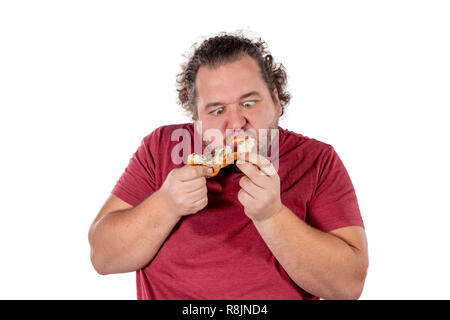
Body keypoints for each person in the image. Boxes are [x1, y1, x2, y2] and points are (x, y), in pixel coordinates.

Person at [88, 32, 368, 300]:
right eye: (217, 110)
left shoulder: (317, 160)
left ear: (276, 101)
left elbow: (349, 285)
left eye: (249, 103)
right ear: (196, 117)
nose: (236, 124)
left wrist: (272, 216)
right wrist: (166, 205)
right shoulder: (161, 147)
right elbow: (102, 257)